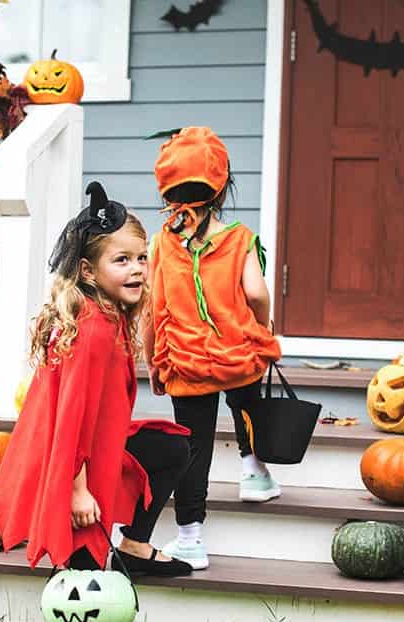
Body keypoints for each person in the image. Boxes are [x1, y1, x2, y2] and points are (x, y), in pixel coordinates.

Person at [0, 182, 193, 622]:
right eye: (121, 260)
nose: (137, 269)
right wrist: (78, 488)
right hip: (72, 458)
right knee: (81, 560)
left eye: (141, 258)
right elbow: (74, 415)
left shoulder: (104, 317)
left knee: (170, 447)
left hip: (96, 446)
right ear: (87, 271)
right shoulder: (94, 329)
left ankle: (134, 546)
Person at [146, 126, 282, 571]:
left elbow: (151, 308)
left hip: (185, 363)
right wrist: (263, 327)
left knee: (194, 446)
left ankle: (191, 537)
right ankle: (254, 472)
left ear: (166, 189)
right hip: (238, 355)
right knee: (248, 407)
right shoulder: (240, 238)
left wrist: (153, 361)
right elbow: (257, 293)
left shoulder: (162, 243)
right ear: (222, 187)